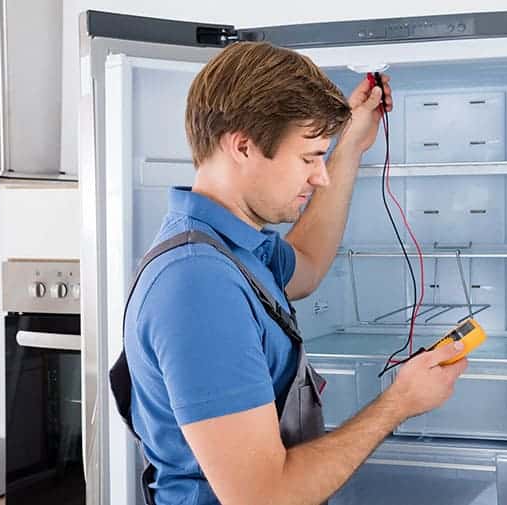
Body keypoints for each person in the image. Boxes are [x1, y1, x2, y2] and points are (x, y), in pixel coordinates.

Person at [112, 41, 468, 505]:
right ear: (242, 145)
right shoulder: (198, 285)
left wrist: (350, 146)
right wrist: (398, 403)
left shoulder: (230, 245)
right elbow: (264, 496)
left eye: (320, 157)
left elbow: (308, 263)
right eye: (307, 158)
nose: (319, 176)